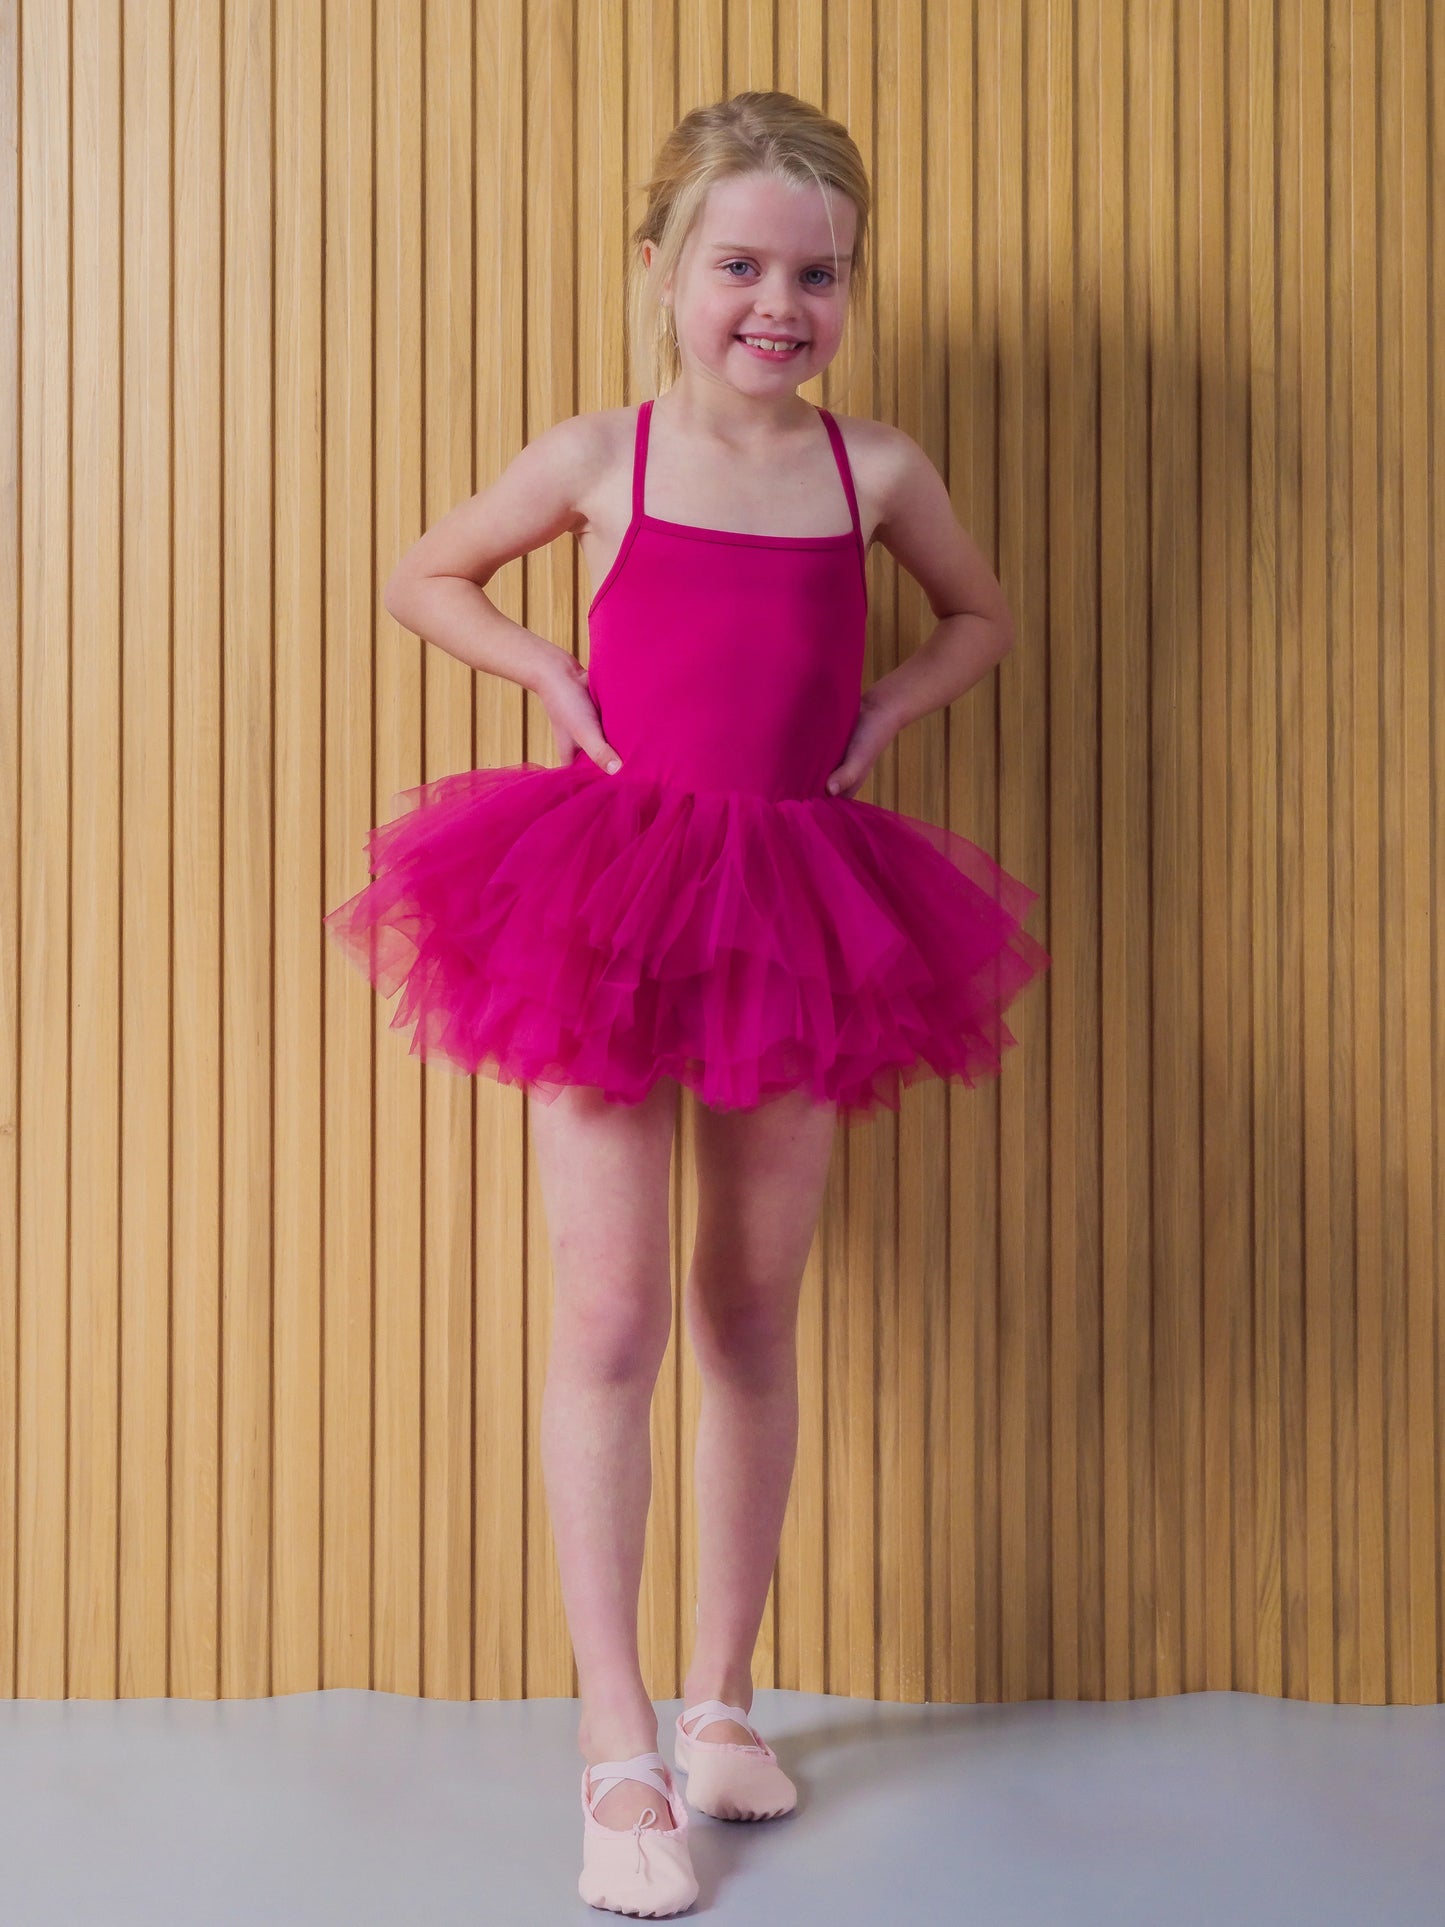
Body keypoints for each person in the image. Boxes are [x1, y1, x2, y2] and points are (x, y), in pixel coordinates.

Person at [324, 89, 1049, 1919]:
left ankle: (727, 1697)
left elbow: (977, 620)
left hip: (804, 902)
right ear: (661, 268)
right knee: (615, 1308)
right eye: (737, 264)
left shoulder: (870, 473)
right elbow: (425, 575)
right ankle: (614, 1729)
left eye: (817, 274)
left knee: (748, 1308)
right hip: (603, 900)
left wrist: (887, 713)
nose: (775, 304)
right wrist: (546, 670)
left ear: (848, 291)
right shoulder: (602, 457)